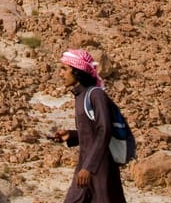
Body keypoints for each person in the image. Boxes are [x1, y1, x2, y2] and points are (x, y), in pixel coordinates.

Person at [50, 49, 126, 203]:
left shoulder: (96, 95)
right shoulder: (80, 96)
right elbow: (92, 132)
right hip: (86, 166)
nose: (60, 74)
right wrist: (71, 135)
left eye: (64, 69)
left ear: (77, 71)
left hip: (100, 169)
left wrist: (89, 167)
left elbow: (104, 130)